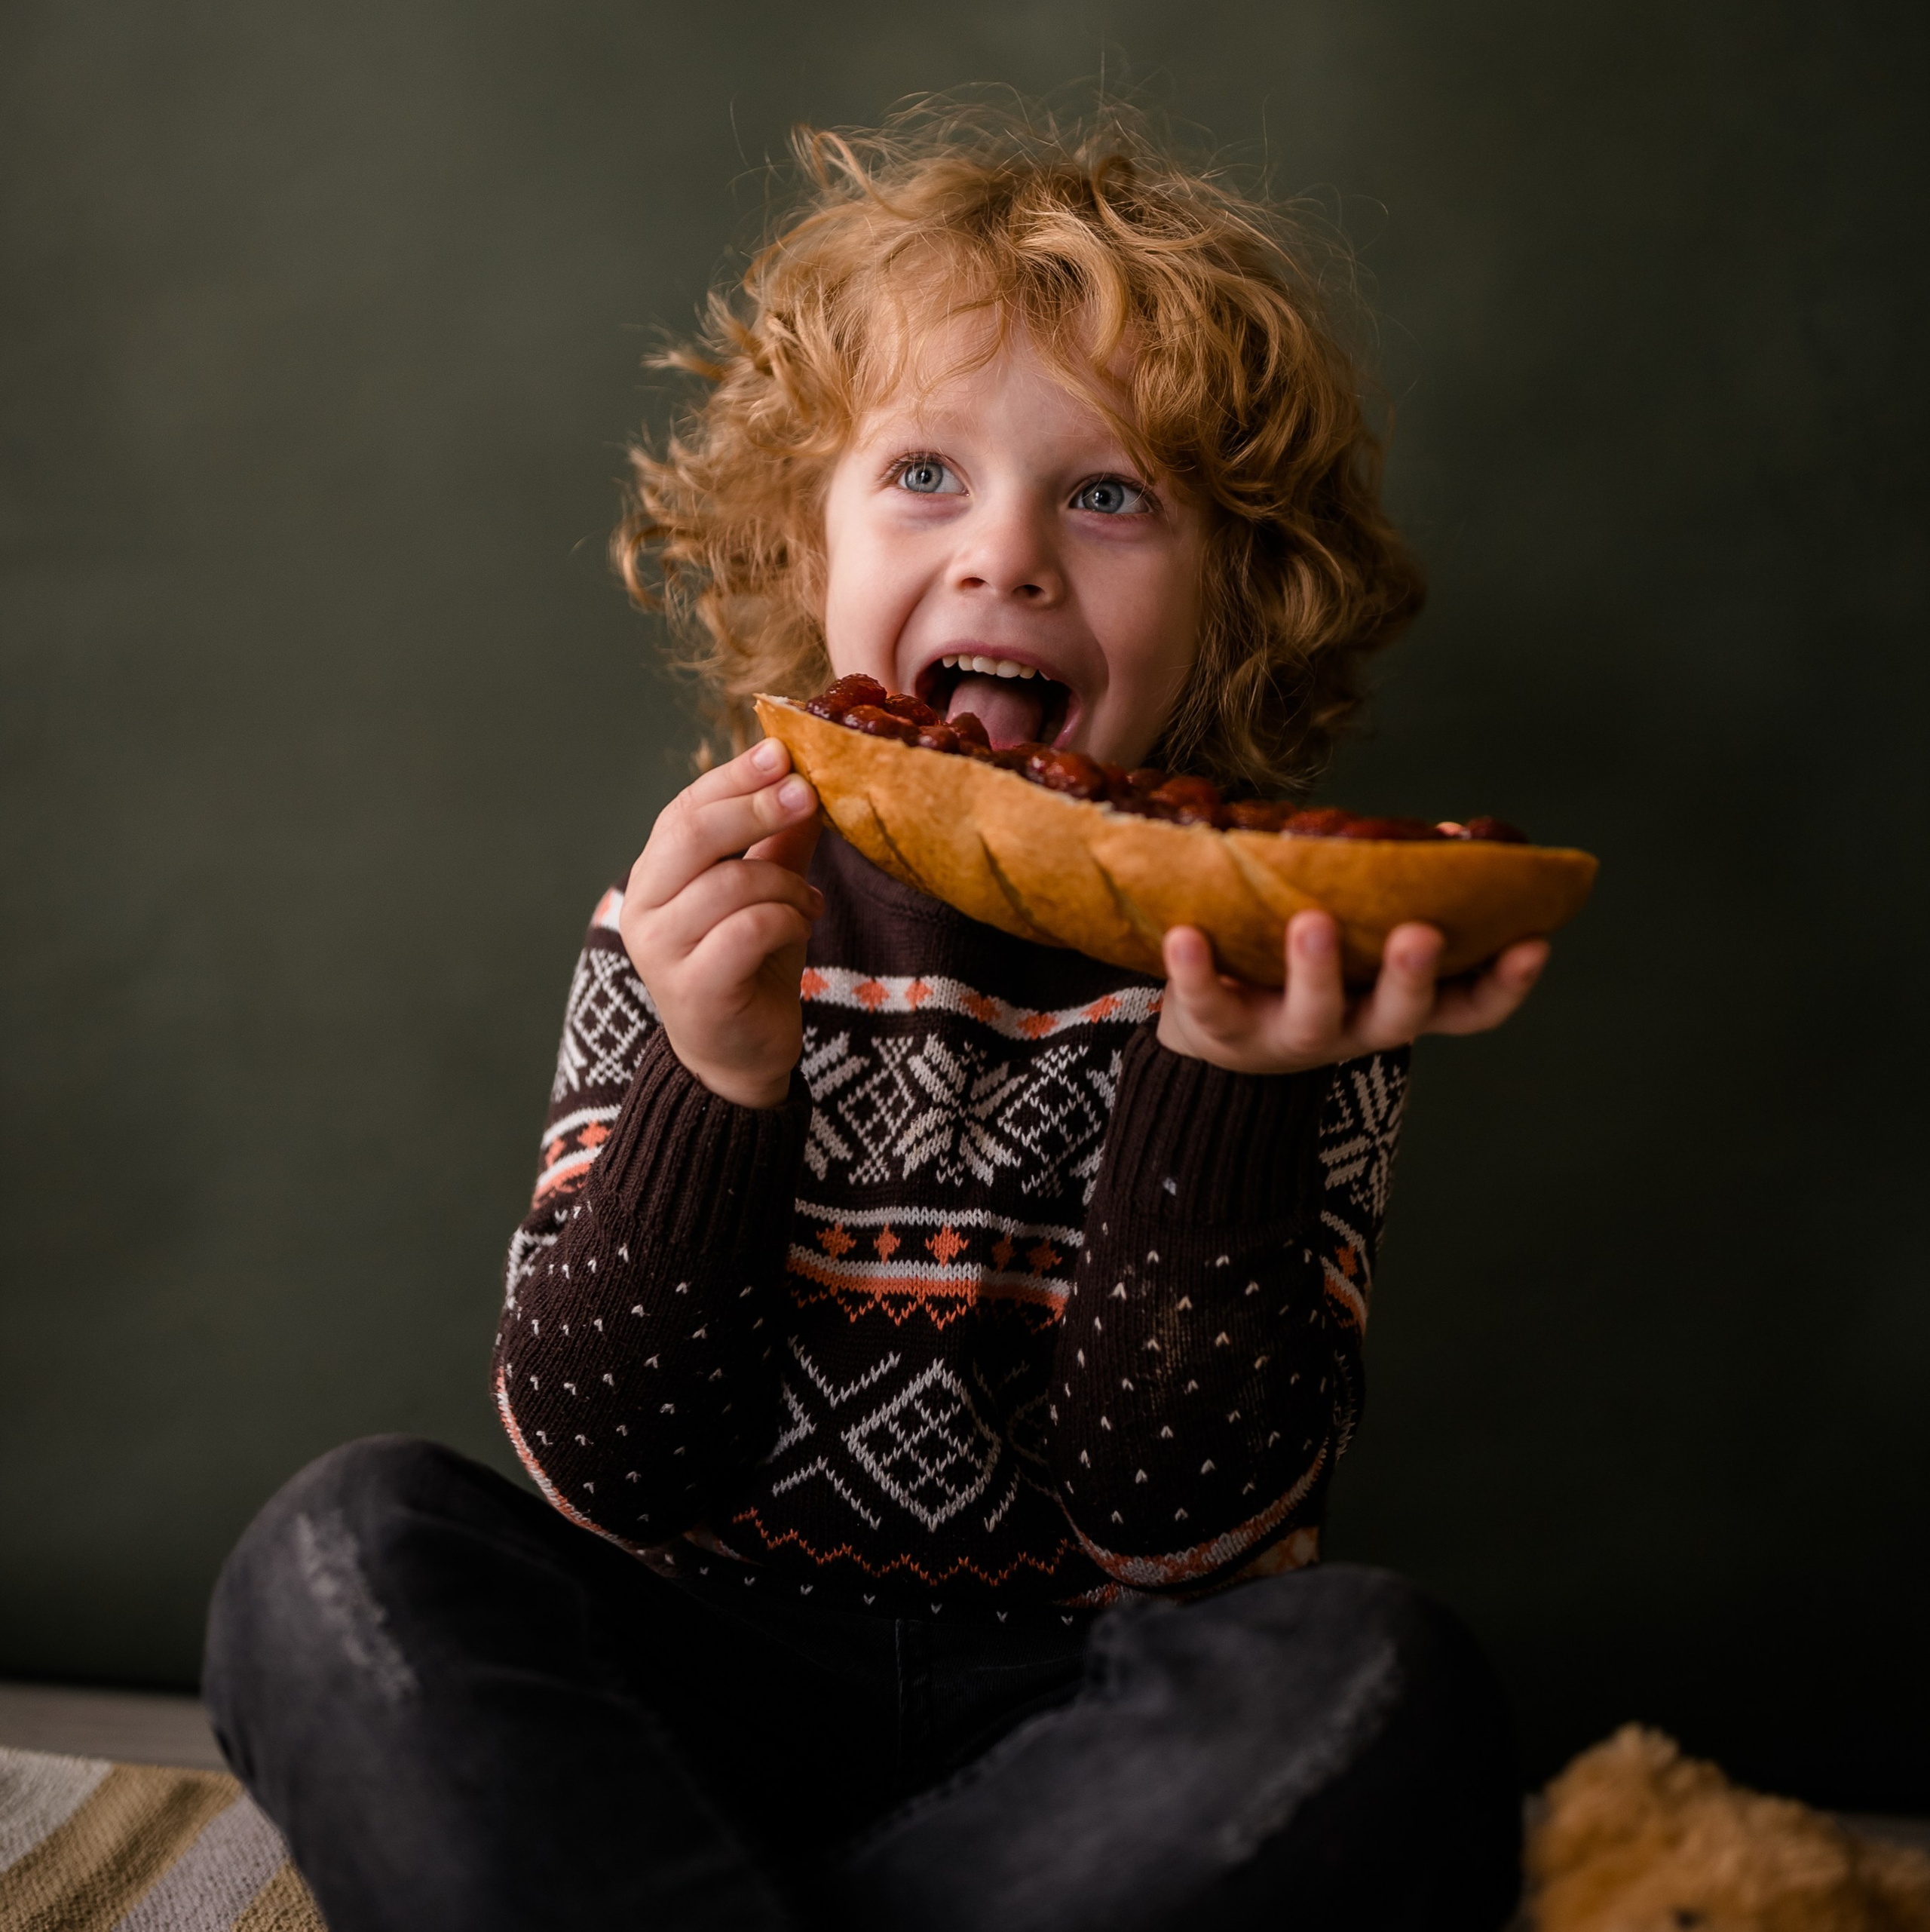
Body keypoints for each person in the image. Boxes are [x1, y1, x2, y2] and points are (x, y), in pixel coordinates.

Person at [205, 106, 1549, 1931]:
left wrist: (1223, 1087)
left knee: (1380, 1669)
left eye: (1107, 494)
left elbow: (1175, 1521)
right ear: (802, 543)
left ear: (1231, 600)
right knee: (339, 1552)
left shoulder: (1299, 971)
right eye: (925, 473)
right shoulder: (688, 916)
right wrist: (716, 1073)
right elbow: (613, 1466)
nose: (1007, 556)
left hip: (1076, 1724)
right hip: (681, 1694)